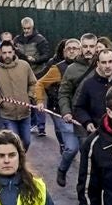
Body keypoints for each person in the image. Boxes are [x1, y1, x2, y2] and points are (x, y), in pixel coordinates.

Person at [35, 38, 85, 186]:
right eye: (69, 48)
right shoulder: (58, 69)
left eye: (75, 48)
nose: (72, 51)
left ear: (80, 50)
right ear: (64, 52)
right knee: (71, 148)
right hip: (62, 112)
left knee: (85, 147)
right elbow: (40, 83)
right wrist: (39, 101)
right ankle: (62, 169)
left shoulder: (89, 67)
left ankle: (85, 181)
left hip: (82, 114)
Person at [0, 39, 37, 144]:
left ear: (14, 52)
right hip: (8, 115)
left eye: (9, 52)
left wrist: (30, 97)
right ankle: (17, 159)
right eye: (4, 53)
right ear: (0, 53)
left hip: (25, 113)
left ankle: (19, 159)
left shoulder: (24, 66)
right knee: (15, 142)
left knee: (26, 142)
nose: (7, 55)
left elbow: (33, 83)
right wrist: (1, 103)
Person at [70, 45, 112, 133]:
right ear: (98, 64)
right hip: (98, 133)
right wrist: (87, 122)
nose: (107, 66)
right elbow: (79, 107)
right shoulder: (88, 84)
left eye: (110, 62)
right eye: (103, 62)